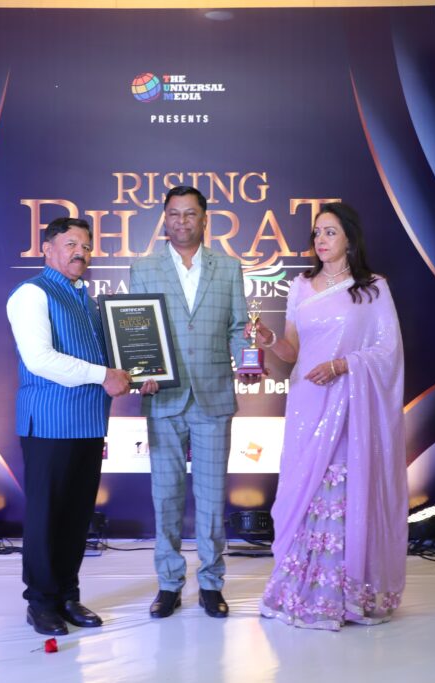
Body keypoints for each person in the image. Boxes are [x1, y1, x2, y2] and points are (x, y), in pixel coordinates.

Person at [247, 202, 407, 631]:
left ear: (350, 239)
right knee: (304, 490)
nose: (320, 239)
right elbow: (291, 352)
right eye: (317, 232)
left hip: (351, 405)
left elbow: (387, 352)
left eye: (330, 231)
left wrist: (343, 365)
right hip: (308, 401)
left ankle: (345, 592)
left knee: (342, 491)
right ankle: (300, 589)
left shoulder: (372, 288)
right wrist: (269, 339)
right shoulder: (301, 286)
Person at [6, 216, 132, 636]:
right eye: (71, 244)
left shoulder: (87, 300)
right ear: (47, 248)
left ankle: (66, 594)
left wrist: (143, 373)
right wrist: (104, 375)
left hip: (88, 422)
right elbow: (40, 359)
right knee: (47, 516)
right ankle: (41, 602)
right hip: (49, 422)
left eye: (86, 246)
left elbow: (110, 358)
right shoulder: (32, 293)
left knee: (77, 516)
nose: (81, 252)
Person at [129, 185, 250, 619]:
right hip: (163, 396)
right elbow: (136, 329)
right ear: (165, 219)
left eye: (190, 214)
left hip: (213, 395)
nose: (182, 221)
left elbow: (238, 327)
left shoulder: (229, 267)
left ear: (204, 219)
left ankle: (212, 584)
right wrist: (140, 372)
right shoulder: (143, 268)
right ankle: (168, 584)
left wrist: (247, 360)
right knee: (165, 498)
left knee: (212, 499)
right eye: (174, 214)